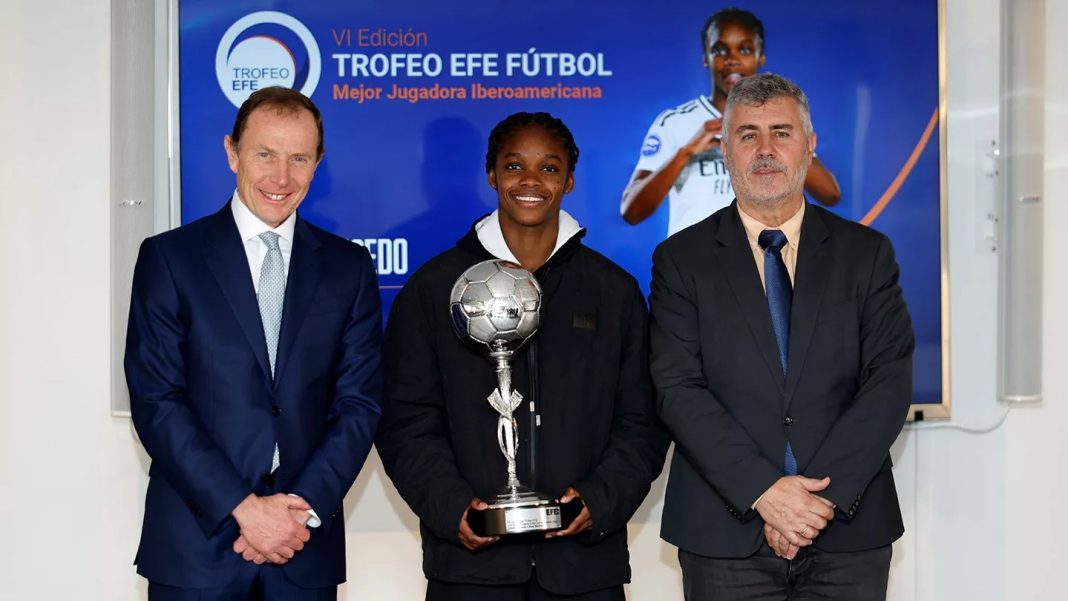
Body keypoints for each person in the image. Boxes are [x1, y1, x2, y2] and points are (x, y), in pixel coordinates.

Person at [376, 112, 668, 600]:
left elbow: (643, 419)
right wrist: (451, 508)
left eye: (549, 168)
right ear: (491, 175)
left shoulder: (612, 292)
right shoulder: (433, 289)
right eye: (514, 166)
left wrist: (599, 499)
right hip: (470, 572)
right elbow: (406, 420)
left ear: (570, 180)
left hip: (584, 572)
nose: (531, 181)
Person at [649, 73, 913, 600]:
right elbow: (677, 388)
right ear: (724, 150)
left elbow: (888, 381)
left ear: (810, 146)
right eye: (747, 135)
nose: (765, 150)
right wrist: (766, 493)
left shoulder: (868, 255)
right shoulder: (681, 260)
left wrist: (812, 506)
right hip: (724, 535)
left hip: (848, 530)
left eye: (781, 133)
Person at [125, 86, 382, 600]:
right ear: (231, 152)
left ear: (318, 163)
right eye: (264, 153)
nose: (281, 177)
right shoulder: (170, 259)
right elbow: (157, 401)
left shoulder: (348, 268)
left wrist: (298, 511)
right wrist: (244, 509)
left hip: (301, 548)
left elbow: (359, 404)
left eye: (298, 159)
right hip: (196, 549)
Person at [621, 7, 841, 237]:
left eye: (744, 49)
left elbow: (830, 195)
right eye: (719, 50)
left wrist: (782, 137)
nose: (732, 60)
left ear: (760, 56)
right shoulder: (675, 122)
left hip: (767, 260)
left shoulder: (781, 119)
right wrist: (685, 153)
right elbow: (632, 211)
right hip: (695, 265)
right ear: (706, 58)